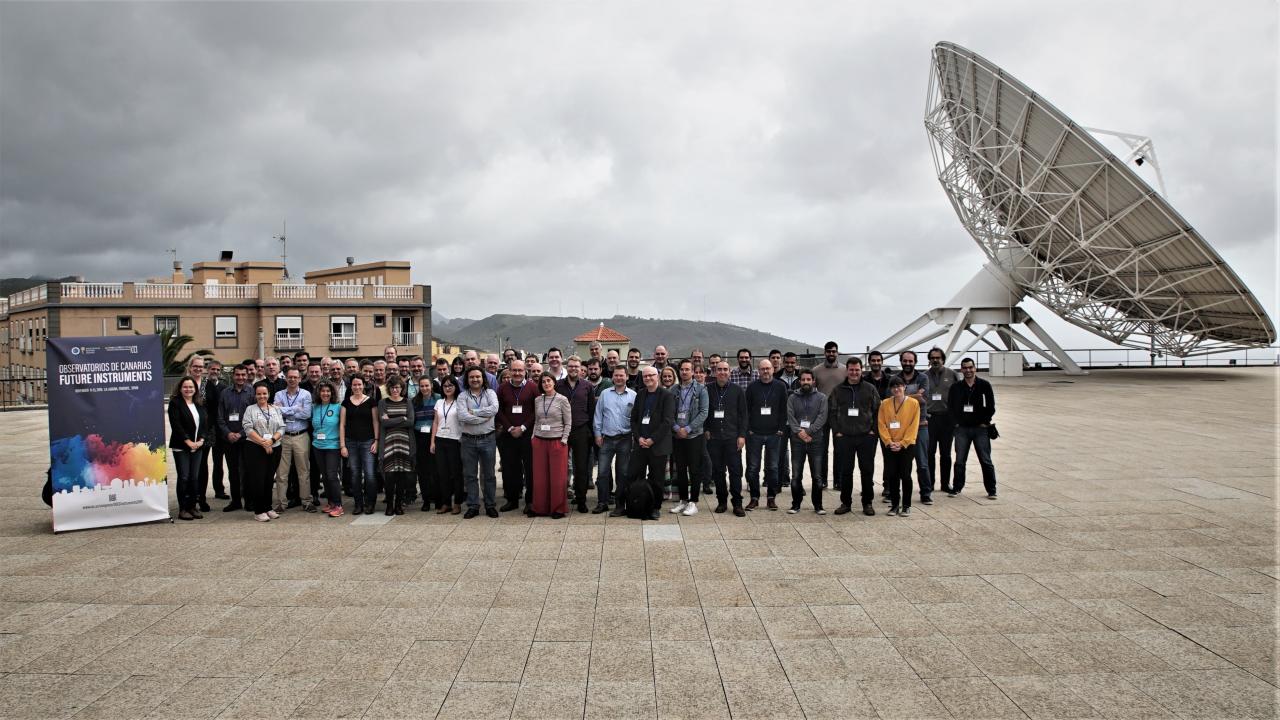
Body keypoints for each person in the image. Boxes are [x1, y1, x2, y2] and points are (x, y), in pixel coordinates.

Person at [614, 367, 674, 520]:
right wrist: (638, 437)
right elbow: (634, 420)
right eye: (645, 376)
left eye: (651, 375)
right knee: (633, 475)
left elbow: (667, 422)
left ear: (657, 376)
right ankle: (631, 504)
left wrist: (652, 439)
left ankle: (655, 508)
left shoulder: (666, 395)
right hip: (640, 444)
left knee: (657, 479)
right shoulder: (640, 395)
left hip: (658, 445)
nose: (648, 378)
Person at [831, 357, 882, 516]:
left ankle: (867, 503)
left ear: (861, 371)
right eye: (851, 370)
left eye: (857, 370)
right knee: (845, 471)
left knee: (867, 471)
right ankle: (846, 503)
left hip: (866, 436)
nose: (854, 372)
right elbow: (832, 412)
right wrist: (837, 431)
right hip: (845, 437)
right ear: (847, 371)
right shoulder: (838, 390)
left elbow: (878, 410)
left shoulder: (870, 388)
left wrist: (873, 430)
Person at [948, 357, 998, 499]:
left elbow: (991, 406)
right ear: (961, 369)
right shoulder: (956, 387)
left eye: (970, 367)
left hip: (980, 429)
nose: (968, 370)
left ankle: (991, 490)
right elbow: (950, 407)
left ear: (975, 368)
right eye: (965, 368)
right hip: (962, 429)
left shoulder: (984, 385)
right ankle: (957, 487)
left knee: (985, 460)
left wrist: (985, 421)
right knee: (959, 461)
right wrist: (955, 423)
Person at [704, 361, 748, 515]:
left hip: (732, 437)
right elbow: (703, 412)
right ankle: (722, 501)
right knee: (718, 471)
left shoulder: (738, 390)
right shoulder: (707, 389)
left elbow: (744, 415)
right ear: (715, 372)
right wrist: (705, 429)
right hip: (714, 438)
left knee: (735, 471)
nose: (722, 372)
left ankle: (737, 503)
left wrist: (742, 435)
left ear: (730, 372)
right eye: (719, 369)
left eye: (725, 370)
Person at [744, 359, 788, 510]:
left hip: (774, 434)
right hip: (754, 434)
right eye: (762, 369)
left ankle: (771, 498)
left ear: (772, 370)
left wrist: (781, 428)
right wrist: (748, 429)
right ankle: (754, 498)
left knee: (773, 468)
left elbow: (784, 409)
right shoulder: (752, 387)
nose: (765, 371)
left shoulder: (780, 386)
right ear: (758, 370)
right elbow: (746, 410)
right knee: (753, 468)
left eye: (768, 368)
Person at [457, 366, 499, 518]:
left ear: (483, 379)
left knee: (489, 475)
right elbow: (462, 416)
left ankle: (490, 505)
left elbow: (494, 409)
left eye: (478, 377)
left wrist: (473, 412)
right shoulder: (462, 396)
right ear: (467, 380)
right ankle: (473, 505)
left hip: (488, 439)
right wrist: (483, 417)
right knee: (470, 475)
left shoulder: (490, 393)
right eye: (472, 377)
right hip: (468, 441)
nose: (475, 379)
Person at [556, 356, 597, 514]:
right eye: (571, 366)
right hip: (561, 431)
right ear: (567, 367)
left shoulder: (587, 386)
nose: (574, 369)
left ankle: (581, 499)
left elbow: (592, 410)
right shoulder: (558, 385)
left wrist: (591, 432)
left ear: (581, 369)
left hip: (581, 431)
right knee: (561, 467)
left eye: (576, 366)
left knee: (581, 468)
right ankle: (560, 498)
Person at [497, 359, 538, 513]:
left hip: (527, 435)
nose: (517, 373)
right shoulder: (502, 388)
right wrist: (509, 428)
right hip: (508, 435)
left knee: (530, 469)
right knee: (509, 469)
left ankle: (530, 501)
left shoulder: (533, 388)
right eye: (514, 370)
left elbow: (537, 410)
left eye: (520, 370)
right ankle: (512, 500)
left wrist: (523, 427)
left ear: (525, 371)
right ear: (509, 370)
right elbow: (499, 410)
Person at [669, 359, 709, 517]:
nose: (684, 372)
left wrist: (689, 428)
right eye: (682, 369)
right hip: (677, 435)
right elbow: (669, 412)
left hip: (694, 435)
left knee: (694, 469)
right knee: (680, 469)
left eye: (687, 369)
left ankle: (693, 502)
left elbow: (704, 412)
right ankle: (683, 500)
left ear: (693, 372)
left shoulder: (701, 390)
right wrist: (677, 428)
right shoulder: (673, 390)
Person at [168, 376, 211, 520]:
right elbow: (176, 425)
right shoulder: (175, 403)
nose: (188, 389)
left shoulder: (199, 403)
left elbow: (205, 423)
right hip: (181, 446)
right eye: (185, 387)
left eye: (191, 387)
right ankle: (183, 509)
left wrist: (202, 440)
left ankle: (192, 506)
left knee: (194, 478)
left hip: (198, 446)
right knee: (184, 477)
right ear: (180, 389)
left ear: (195, 389)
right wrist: (188, 441)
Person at [894, 350, 934, 505]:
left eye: (910, 361)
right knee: (901, 463)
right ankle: (896, 493)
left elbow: (922, 400)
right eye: (905, 361)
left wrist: (902, 396)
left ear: (915, 362)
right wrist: (914, 396)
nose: (907, 363)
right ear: (901, 361)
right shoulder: (896, 378)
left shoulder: (923, 377)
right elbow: (892, 399)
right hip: (901, 427)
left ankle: (925, 492)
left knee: (922, 462)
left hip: (920, 425)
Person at [593, 365, 634, 515]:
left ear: (627, 377)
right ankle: (602, 502)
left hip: (625, 438)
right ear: (612, 377)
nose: (618, 378)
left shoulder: (633, 396)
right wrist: (597, 434)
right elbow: (598, 415)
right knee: (602, 473)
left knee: (622, 473)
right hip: (607, 439)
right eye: (616, 375)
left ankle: (620, 505)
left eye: (621, 375)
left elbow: (635, 419)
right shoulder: (605, 394)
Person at [272, 368, 314, 513]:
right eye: (290, 377)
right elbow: (275, 412)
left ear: (300, 379)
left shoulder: (306, 394)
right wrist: (296, 408)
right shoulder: (278, 394)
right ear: (286, 379)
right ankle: (281, 503)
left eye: (295, 377)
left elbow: (306, 414)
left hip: (301, 436)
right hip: (283, 436)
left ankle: (307, 501)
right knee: (282, 472)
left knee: (303, 471)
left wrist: (284, 409)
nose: (292, 379)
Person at [531, 371, 572, 518]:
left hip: (557, 442)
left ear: (554, 382)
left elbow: (568, 422)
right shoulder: (537, 400)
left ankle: (558, 509)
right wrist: (533, 437)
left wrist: (564, 440)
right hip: (540, 441)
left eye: (549, 380)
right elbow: (537, 420)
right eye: (543, 382)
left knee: (557, 478)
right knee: (540, 477)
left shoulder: (562, 400)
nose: (546, 383)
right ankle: (540, 508)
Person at [786, 368, 827, 515]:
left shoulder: (822, 398)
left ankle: (818, 505)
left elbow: (822, 417)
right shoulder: (792, 398)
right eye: (803, 380)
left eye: (808, 379)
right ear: (799, 381)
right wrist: (800, 432)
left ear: (813, 381)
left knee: (817, 476)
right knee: (796, 475)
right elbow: (790, 417)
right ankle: (795, 504)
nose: (805, 382)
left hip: (815, 441)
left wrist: (808, 432)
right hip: (797, 441)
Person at [242, 384, 285, 522]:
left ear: (268, 394)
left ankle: (268, 507)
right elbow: (248, 428)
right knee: (258, 479)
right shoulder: (250, 409)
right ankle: (259, 510)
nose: (262, 396)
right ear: (255, 395)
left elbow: (282, 428)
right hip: (255, 448)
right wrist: (263, 443)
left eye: (264, 393)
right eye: (259, 394)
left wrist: (271, 441)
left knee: (268, 479)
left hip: (274, 446)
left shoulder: (275, 409)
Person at [878, 376, 920, 516]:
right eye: (894, 386)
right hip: (889, 445)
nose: (897, 389)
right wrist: (889, 442)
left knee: (905, 475)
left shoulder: (914, 403)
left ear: (904, 387)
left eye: (899, 386)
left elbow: (913, 426)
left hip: (907, 445)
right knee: (892, 475)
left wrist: (902, 443)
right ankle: (895, 505)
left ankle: (906, 505)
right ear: (890, 389)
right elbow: (881, 424)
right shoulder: (885, 403)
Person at [217, 364, 255, 512]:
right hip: (229, 440)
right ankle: (236, 501)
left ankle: (249, 501)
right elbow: (220, 417)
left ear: (246, 376)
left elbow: (254, 417)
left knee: (247, 471)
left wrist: (241, 433)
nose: (240, 377)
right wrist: (228, 433)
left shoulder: (252, 393)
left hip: (246, 439)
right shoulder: (225, 393)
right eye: (237, 375)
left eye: (243, 375)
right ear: (233, 376)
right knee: (233, 471)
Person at [340, 376, 379, 515]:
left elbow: (376, 422)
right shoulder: (345, 403)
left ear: (363, 385)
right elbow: (342, 425)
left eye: (359, 384)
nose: (357, 387)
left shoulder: (371, 402)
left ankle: (370, 503)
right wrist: (342, 445)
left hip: (368, 441)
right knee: (355, 474)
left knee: (369, 474)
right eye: (354, 385)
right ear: (351, 386)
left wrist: (376, 440)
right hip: (351, 442)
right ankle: (358, 504)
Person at [377, 376, 416, 515]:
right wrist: (401, 418)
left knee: (401, 476)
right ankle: (389, 505)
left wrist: (392, 420)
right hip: (388, 443)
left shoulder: (408, 402)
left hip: (405, 443)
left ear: (402, 388)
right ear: (389, 389)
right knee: (389, 476)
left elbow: (411, 422)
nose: (395, 390)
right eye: (393, 387)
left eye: (398, 387)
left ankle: (398, 504)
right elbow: (383, 423)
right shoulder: (383, 403)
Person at [925, 347, 961, 495]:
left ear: (943, 359)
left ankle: (945, 483)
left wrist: (957, 419)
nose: (935, 360)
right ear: (929, 360)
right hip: (930, 419)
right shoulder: (924, 376)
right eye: (932, 358)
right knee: (930, 453)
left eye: (938, 358)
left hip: (947, 420)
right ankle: (930, 483)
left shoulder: (952, 374)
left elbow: (959, 396)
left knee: (946, 454)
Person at [430, 377, 465, 514]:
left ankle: (457, 502)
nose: (448, 388)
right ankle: (446, 503)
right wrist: (432, 441)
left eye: (451, 385)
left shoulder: (460, 402)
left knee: (456, 474)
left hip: (455, 440)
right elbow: (435, 422)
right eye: (445, 386)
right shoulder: (439, 402)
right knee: (442, 474)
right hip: (440, 439)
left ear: (456, 387)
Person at [311, 381, 344, 517]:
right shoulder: (315, 407)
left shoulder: (338, 407)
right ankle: (330, 502)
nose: (325, 393)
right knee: (324, 476)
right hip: (318, 445)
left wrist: (342, 445)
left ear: (332, 393)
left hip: (333, 446)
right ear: (319, 393)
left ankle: (338, 505)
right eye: (323, 391)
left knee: (331, 475)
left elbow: (342, 426)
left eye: (328, 391)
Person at [202, 359, 228, 505]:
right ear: (207, 369)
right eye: (212, 369)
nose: (215, 372)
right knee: (203, 463)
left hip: (220, 430)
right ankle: (202, 493)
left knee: (218, 462)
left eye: (218, 370)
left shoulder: (224, 387)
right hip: (206, 429)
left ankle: (219, 490)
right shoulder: (202, 386)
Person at [412, 376, 440, 511]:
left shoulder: (439, 398)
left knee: (435, 469)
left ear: (431, 386)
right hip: (420, 437)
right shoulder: (415, 401)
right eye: (422, 386)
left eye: (427, 385)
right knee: (423, 470)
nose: (424, 388)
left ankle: (436, 496)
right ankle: (426, 499)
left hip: (435, 436)